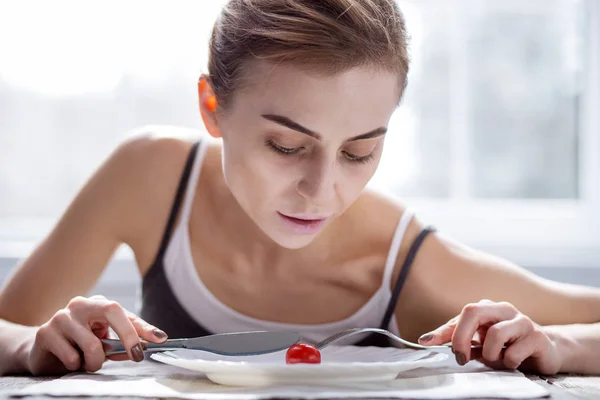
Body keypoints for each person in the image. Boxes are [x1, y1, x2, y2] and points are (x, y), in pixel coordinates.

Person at [1, 0, 599, 377]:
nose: (322, 190)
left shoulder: (408, 264)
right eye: (286, 147)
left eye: (360, 151)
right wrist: (31, 344)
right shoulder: (148, 178)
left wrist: (558, 346)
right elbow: (9, 326)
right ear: (213, 107)